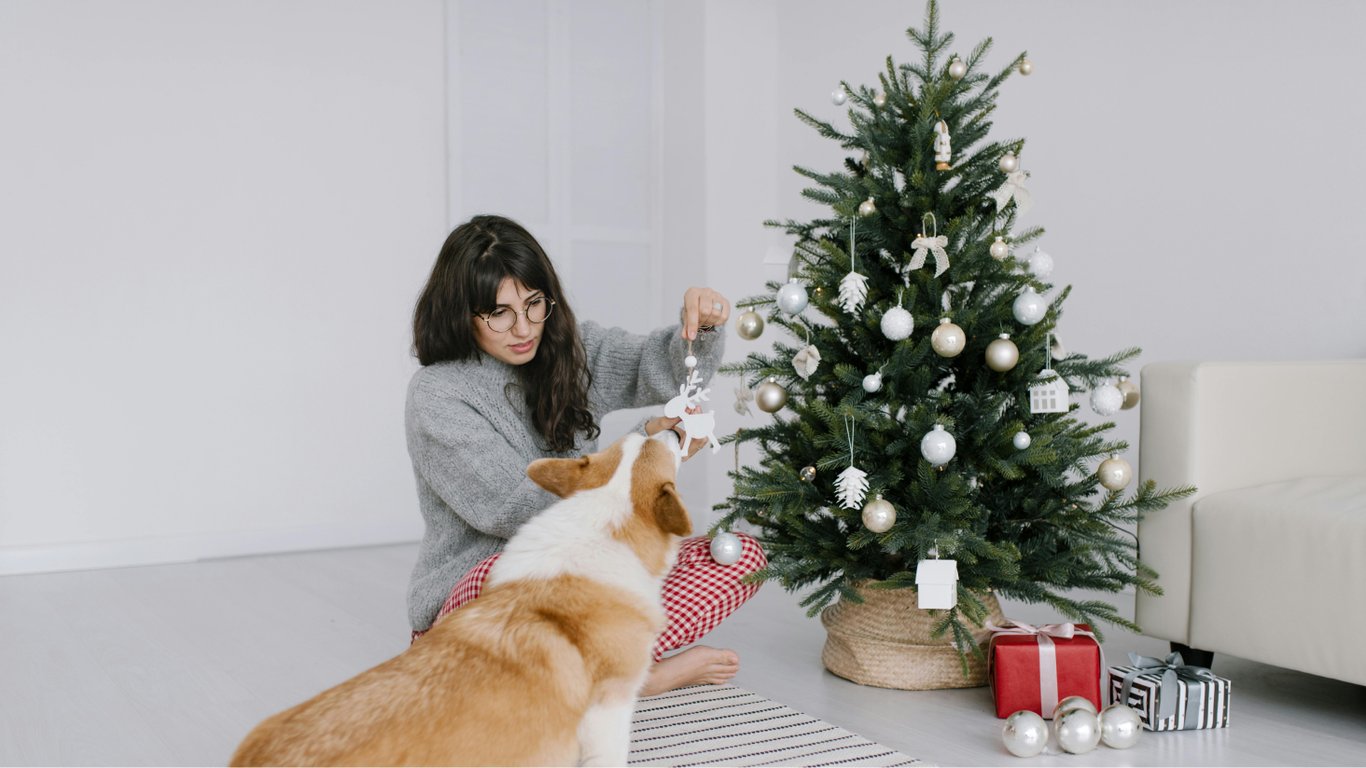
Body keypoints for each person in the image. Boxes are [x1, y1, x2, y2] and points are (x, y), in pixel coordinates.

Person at [404, 214, 766, 695]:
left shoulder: (569, 350)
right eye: (500, 313)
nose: (524, 327)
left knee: (739, 558)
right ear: (462, 314)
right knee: (518, 572)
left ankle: (590, 674)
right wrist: (647, 450)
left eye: (535, 304)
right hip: (482, 602)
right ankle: (635, 678)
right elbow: (513, 510)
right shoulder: (438, 394)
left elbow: (657, 369)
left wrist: (699, 328)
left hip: (585, 581)